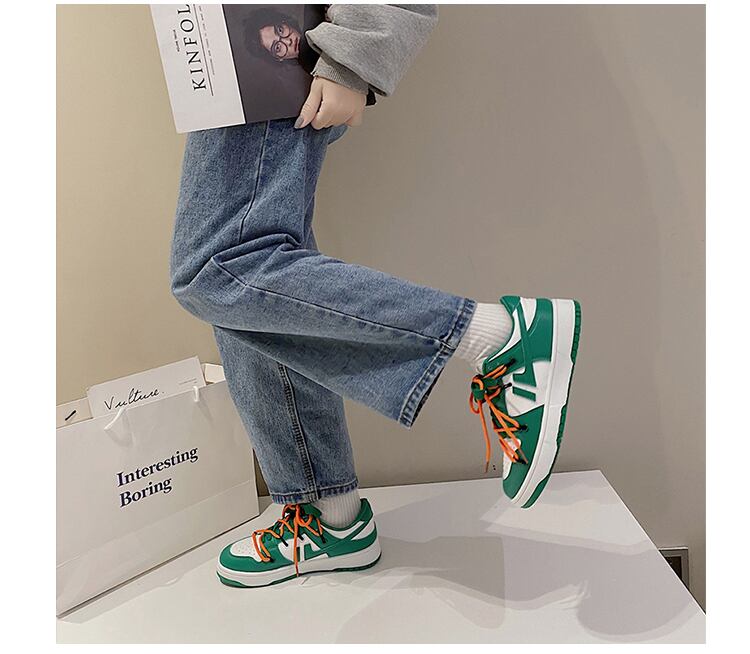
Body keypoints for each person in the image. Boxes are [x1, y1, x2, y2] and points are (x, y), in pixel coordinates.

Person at [169, 5, 582, 589]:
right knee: (252, 280)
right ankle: (328, 515)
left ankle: (497, 338)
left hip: (255, 32)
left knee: (219, 266)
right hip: (222, 43)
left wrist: (353, 52)